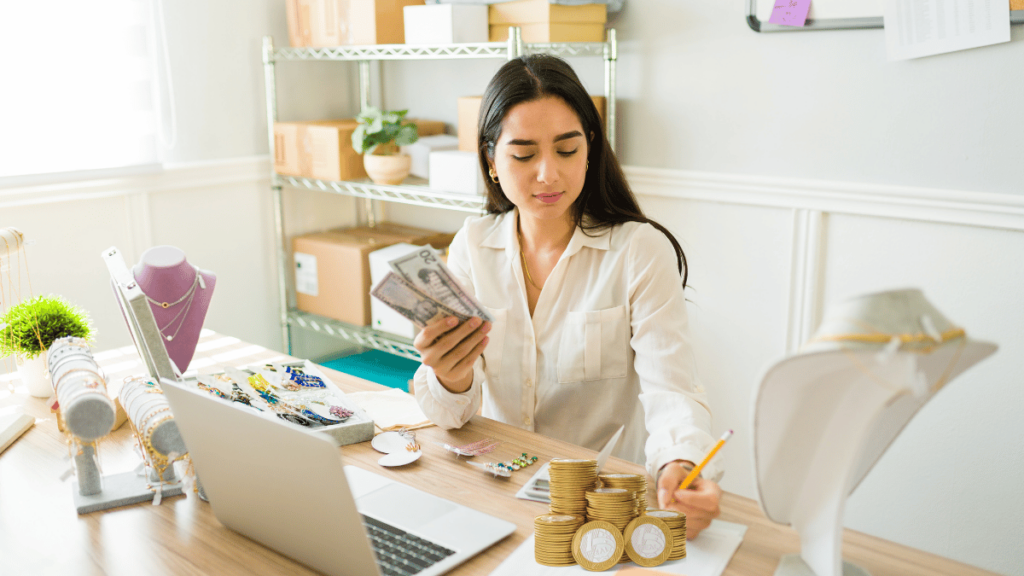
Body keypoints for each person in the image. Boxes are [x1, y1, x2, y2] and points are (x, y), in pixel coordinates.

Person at [411, 54, 723, 538]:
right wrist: (450, 378)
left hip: (596, 509)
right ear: (492, 161)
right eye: (523, 154)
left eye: (566, 149)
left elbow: (673, 390)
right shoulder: (472, 245)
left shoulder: (638, 251)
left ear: (590, 150)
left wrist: (678, 464)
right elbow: (448, 417)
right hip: (495, 494)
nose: (548, 174)